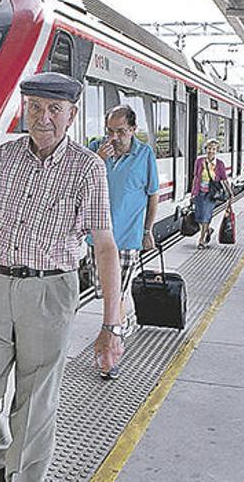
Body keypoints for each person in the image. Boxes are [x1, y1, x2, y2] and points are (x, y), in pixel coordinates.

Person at [0, 72, 123, 482]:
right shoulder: (2, 157)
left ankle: (20, 476)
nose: (43, 117)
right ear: (24, 108)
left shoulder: (87, 168)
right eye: (35, 107)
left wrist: (110, 324)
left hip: (50, 292)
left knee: (35, 402)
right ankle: (0, 459)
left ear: (71, 114)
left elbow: (105, 246)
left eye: (54, 109)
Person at [87, 105, 159, 377]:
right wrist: (97, 158)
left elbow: (152, 194)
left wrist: (148, 230)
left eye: (120, 131)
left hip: (127, 238)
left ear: (133, 129)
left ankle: (109, 354)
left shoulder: (145, 154)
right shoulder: (96, 149)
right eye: (109, 131)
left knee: (114, 294)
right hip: (97, 237)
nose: (113, 137)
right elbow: (77, 183)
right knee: (106, 293)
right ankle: (123, 320)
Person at [190, 138, 233, 249]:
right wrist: (193, 193)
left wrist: (230, 192)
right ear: (206, 149)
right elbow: (196, 177)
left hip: (211, 194)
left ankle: (202, 240)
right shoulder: (199, 161)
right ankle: (208, 230)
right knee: (199, 217)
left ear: (216, 150)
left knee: (206, 217)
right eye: (209, 148)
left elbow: (224, 179)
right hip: (200, 192)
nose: (211, 151)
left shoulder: (220, 164)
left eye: (213, 149)